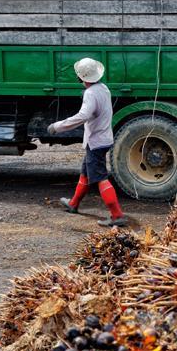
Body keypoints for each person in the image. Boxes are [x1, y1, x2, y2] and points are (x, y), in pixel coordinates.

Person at [49, 58, 127, 227]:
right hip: (103, 138)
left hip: (96, 142)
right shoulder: (103, 88)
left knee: (100, 178)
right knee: (85, 172)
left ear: (81, 78)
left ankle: (117, 215)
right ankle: (73, 204)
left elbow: (82, 116)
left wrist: (58, 126)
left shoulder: (90, 93)